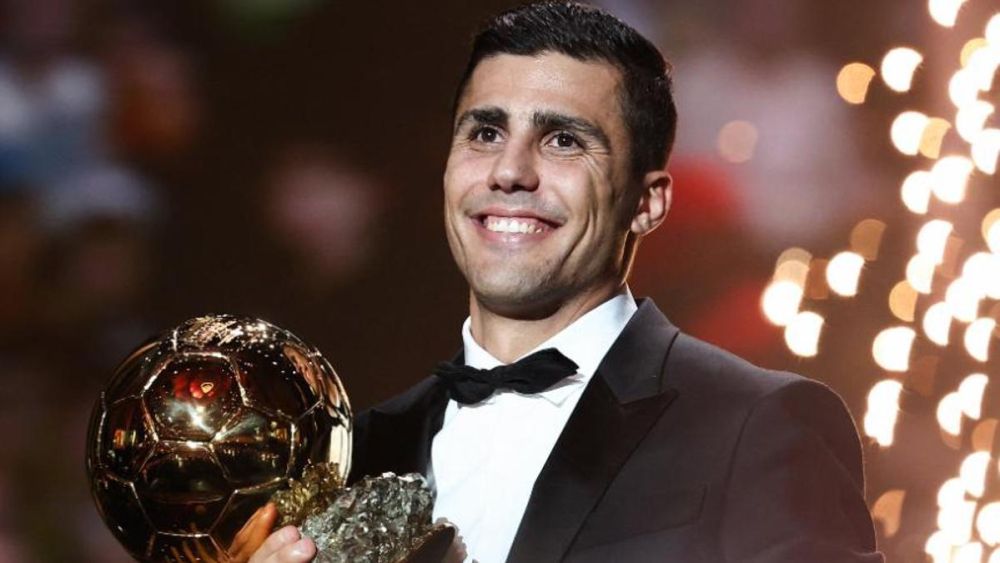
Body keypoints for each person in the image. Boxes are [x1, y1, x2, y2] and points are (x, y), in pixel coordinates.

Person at [247, 2, 883, 562]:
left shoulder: (760, 427)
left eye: (563, 141)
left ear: (648, 202)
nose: (509, 171)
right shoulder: (354, 451)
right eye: (486, 132)